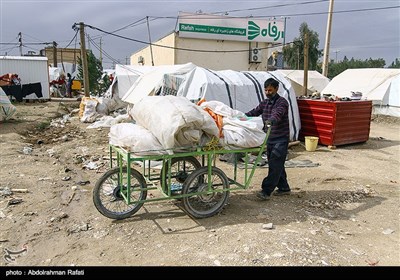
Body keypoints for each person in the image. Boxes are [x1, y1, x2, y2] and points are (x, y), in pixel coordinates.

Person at [245, 77, 291, 200]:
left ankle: (266, 191)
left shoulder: (282, 102)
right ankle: (284, 188)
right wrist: (242, 117)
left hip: (281, 139)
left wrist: (272, 120)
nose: (267, 93)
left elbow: (278, 113)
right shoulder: (264, 103)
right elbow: (255, 111)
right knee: (276, 164)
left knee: (275, 164)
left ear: (277, 89)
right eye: (266, 90)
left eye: (270, 90)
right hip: (270, 138)